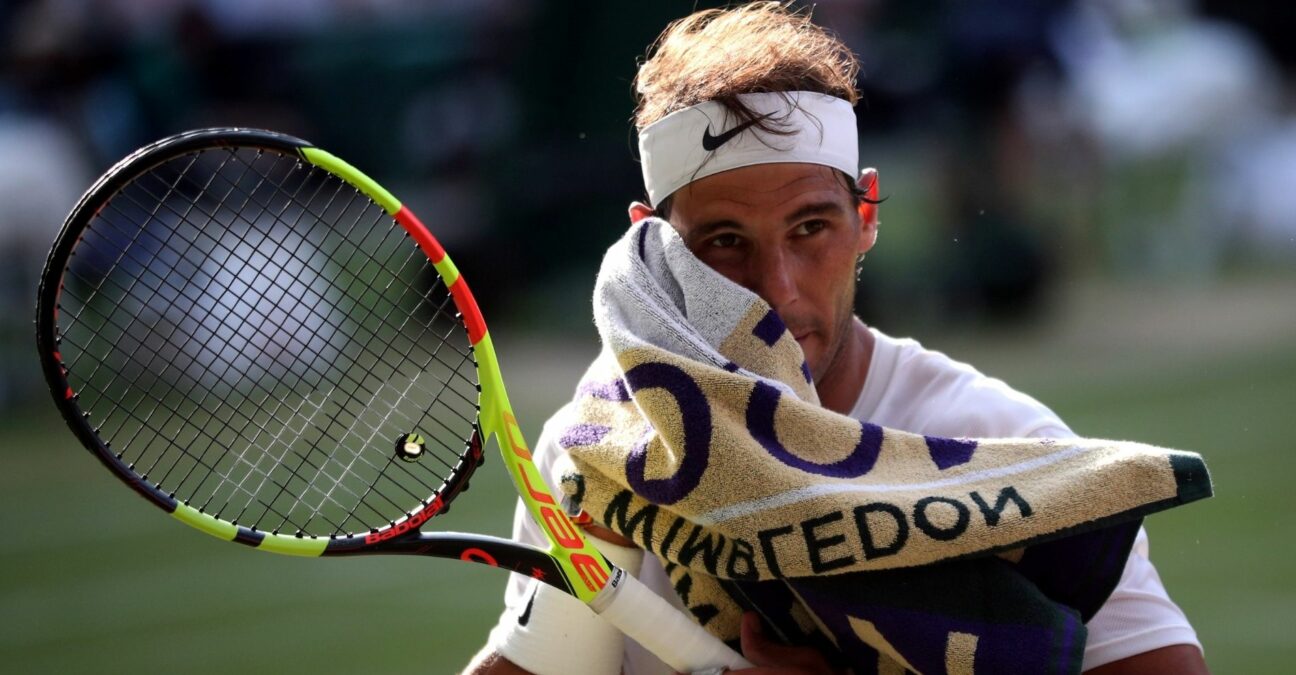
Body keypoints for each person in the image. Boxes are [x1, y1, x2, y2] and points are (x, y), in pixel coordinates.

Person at [468, 4, 1207, 673]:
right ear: (652, 242)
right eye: (724, 243)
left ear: (867, 216)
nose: (777, 289)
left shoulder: (992, 440)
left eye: (810, 228)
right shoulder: (597, 449)